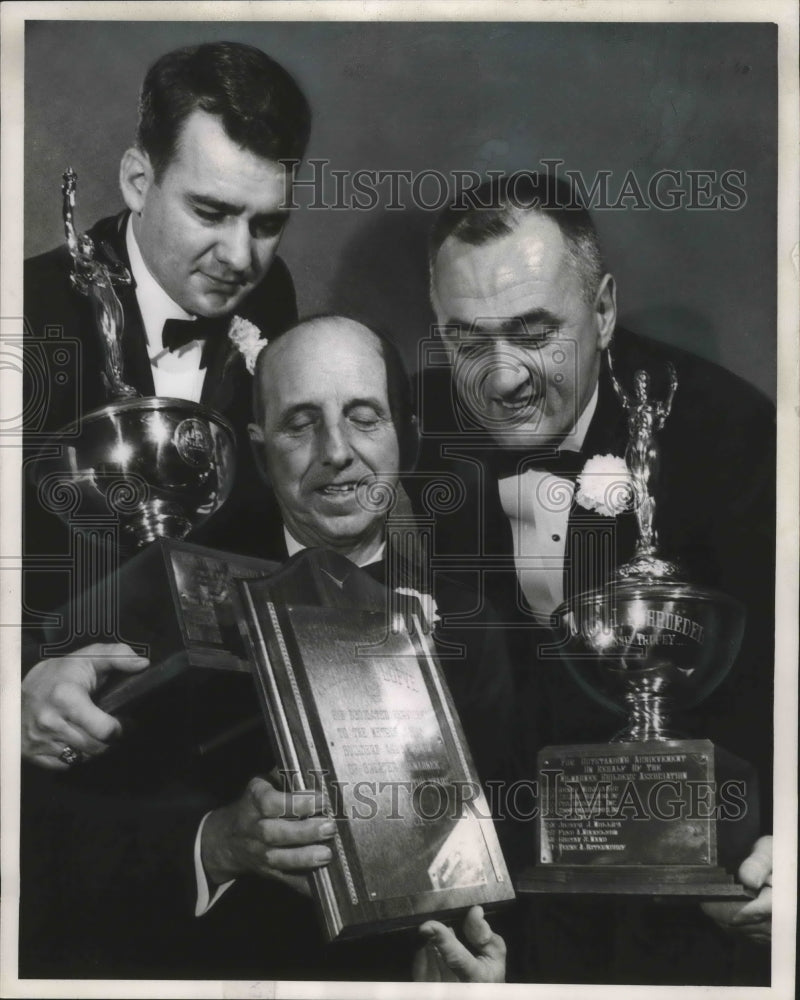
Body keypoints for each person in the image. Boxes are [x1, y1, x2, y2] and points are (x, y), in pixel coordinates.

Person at [20, 317, 513, 983]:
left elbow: (494, 849)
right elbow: (61, 843)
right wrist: (217, 844)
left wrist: (465, 963)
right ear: (258, 450)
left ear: (406, 433)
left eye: (364, 417)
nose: (336, 450)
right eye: (300, 423)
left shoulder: (468, 622)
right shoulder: (152, 598)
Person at [418, 172, 775, 984]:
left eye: (537, 332)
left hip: (693, 921)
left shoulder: (733, 439)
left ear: (605, 309)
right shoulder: (411, 430)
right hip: (502, 917)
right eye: (467, 340)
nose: (502, 378)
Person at [22, 41, 309, 641]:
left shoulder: (271, 294)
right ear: (136, 180)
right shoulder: (25, 310)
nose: (239, 258)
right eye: (210, 211)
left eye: (267, 224)